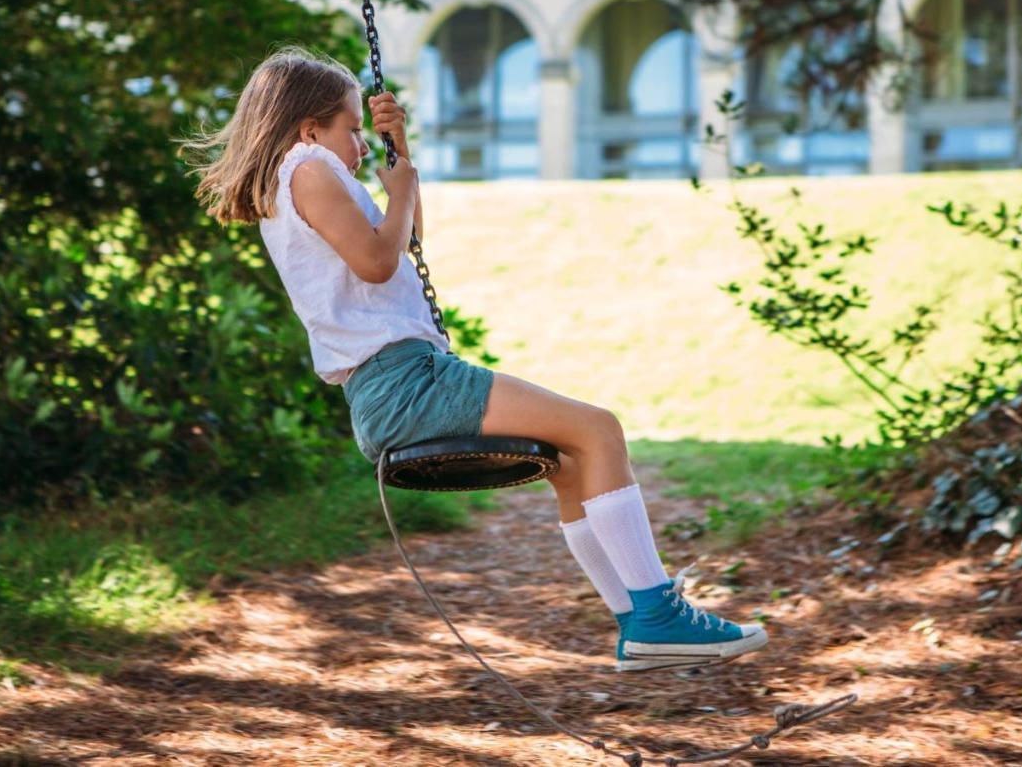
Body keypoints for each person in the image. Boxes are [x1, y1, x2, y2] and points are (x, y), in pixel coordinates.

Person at [185, 46, 768, 672]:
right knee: (599, 429)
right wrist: (402, 186)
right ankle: (657, 615)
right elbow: (380, 263)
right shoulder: (307, 169)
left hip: (397, 382)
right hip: (403, 380)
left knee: (572, 463)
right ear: (308, 129)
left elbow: (405, 242)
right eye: (352, 129)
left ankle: (640, 623)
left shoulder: (306, 177)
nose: (359, 144)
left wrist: (400, 158)